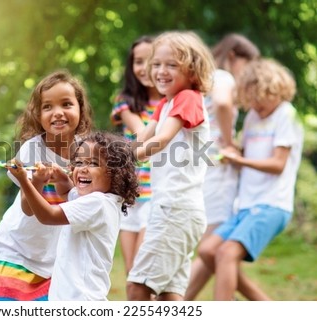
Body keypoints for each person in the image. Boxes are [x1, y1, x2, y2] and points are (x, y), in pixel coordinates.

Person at [0, 70, 93, 301]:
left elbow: (82, 198)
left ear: (80, 108)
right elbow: (28, 209)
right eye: (47, 107)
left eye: (66, 104)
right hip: (20, 246)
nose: (58, 113)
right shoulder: (32, 149)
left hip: (56, 251)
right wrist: (36, 181)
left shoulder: (86, 150)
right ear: (38, 114)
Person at [198, 58, 303, 300]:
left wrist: (240, 161)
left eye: (260, 98)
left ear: (274, 89)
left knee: (226, 254)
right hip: (246, 205)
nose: (255, 105)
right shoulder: (255, 117)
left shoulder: (286, 115)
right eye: (250, 100)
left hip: (271, 204)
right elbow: (244, 151)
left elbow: (278, 164)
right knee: (208, 250)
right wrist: (230, 151)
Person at [127, 30, 215, 301]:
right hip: (171, 209)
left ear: (192, 70)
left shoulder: (188, 97)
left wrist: (128, 160)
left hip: (175, 210)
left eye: (171, 65)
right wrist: (108, 158)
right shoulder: (166, 102)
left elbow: (162, 139)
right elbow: (143, 136)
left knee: (137, 287)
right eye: (157, 64)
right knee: (169, 294)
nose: (161, 71)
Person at [9, 132, 139, 300]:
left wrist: (25, 182)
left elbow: (47, 216)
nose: (83, 168)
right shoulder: (99, 201)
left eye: (93, 163)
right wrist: (60, 177)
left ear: (115, 173)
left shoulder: (97, 203)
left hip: (79, 299)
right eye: (78, 162)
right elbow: (66, 192)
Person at [185, 33, 262, 300]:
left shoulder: (203, 81)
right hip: (218, 167)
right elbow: (223, 103)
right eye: (247, 64)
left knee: (211, 247)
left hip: (203, 164)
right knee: (213, 246)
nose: (247, 73)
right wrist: (230, 143)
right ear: (232, 56)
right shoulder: (223, 77)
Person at [110, 35, 164, 275]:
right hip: (131, 193)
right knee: (132, 275)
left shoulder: (172, 102)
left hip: (157, 193)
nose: (143, 68)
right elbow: (142, 135)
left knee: (145, 270)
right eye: (138, 61)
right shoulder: (126, 103)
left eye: (150, 60)